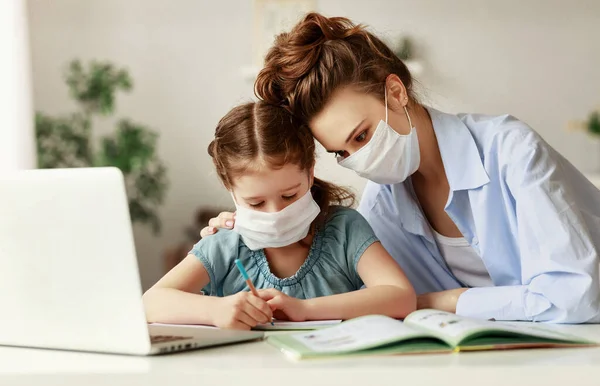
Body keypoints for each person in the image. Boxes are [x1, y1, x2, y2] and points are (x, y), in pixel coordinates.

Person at [201, 13, 600, 323]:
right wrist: (253, 231)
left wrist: (450, 302)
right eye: (341, 153)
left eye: (360, 136)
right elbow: (341, 295)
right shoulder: (384, 206)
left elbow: (576, 296)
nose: (358, 159)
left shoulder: (511, 152)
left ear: (396, 91)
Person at [143, 101, 416, 330]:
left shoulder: (344, 229)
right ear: (231, 190)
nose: (277, 213)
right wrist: (216, 310)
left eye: (289, 196)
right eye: (257, 202)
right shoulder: (226, 244)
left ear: (310, 173)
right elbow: (150, 302)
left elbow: (401, 296)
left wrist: (304, 309)